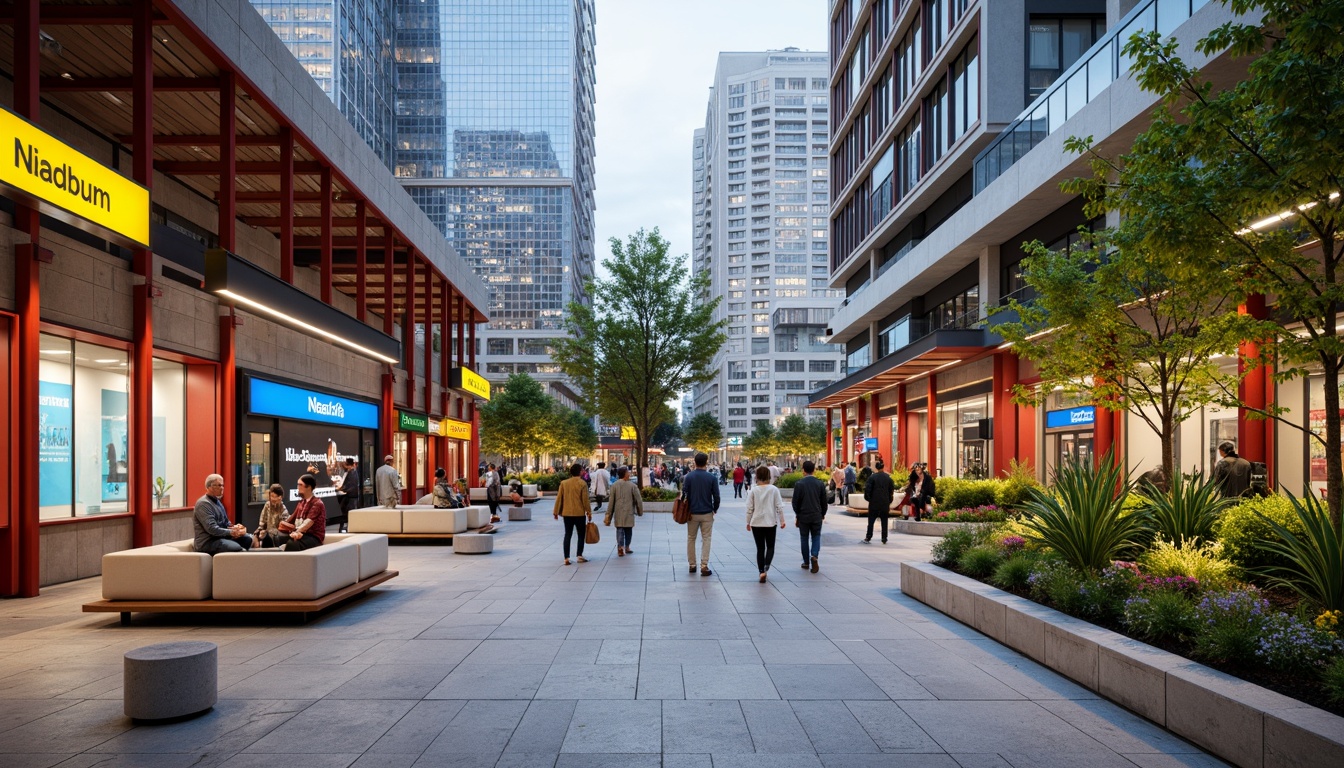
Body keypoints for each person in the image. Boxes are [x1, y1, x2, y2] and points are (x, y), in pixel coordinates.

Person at [192, 474, 253, 553]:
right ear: (209, 487)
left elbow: (226, 523)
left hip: (220, 537)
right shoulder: (203, 504)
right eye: (219, 485)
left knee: (247, 539)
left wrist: (236, 528)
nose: (222, 488)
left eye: (223, 485)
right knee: (236, 547)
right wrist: (231, 532)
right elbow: (211, 529)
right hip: (207, 542)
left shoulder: (218, 502)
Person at [682, 451, 721, 576]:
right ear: (706, 462)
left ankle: (692, 565)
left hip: (692, 513)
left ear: (695, 462)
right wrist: (714, 509)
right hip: (706, 513)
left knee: (691, 538)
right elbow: (717, 496)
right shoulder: (712, 478)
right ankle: (704, 566)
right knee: (706, 538)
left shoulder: (688, 477)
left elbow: (684, 495)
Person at [746, 465, 786, 582]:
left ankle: (761, 572)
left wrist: (748, 521)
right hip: (770, 522)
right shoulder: (774, 489)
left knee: (760, 548)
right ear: (769, 476)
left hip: (756, 523)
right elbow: (779, 507)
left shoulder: (753, 490)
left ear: (757, 476)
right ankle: (766, 566)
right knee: (770, 546)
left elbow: (749, 508)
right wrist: (782, 521)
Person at [792, 460, 828, 573]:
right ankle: (814, 556)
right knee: (816, 536)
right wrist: (823, 514)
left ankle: (806, 562)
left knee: (804, 538)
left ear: (803, 470)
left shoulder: (799, 484)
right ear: (814, 470)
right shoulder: (820, 483)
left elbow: (795, 502)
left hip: (803, 516)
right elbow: (824, 502)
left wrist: (797, 514)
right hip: (817, 515)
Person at [554, 463, 593, 565]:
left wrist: (556, 511)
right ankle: (579, 555)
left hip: (567, 513)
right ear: (579, 472)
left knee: (568, 534)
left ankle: (566, 557)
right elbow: (585, 500)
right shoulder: (582, 483)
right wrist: (588, 512)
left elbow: (559, 498)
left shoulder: (564, 483)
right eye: (582, 470)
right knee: (581, 534)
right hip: (579, 513)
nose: (583, 471)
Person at [278, 473, 326, 551]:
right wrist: (281, 526)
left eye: (300, 485)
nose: (298, 487)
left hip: (313, 537)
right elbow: (291, 519)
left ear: (309, 487)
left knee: (292, 543)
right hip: (301, 534)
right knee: (278, 538)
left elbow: (307, 523)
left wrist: (296, 532)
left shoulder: (317, 503)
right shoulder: (301, 503)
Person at [604, 466, 643, 556]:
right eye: (628, 472)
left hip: (618, 512)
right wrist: (640, 511)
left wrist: (608, 514)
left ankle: (620, 547)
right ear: (625, 474)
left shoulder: (614, 485)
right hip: (629, 511)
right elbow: (639, 500)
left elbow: (611, 501)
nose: (629, 474)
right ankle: (627, 547)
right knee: (628, 530)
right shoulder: (633, 486)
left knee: (620, 530)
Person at [863, 459, 896, 544]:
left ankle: (868, 536)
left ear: (876, 468)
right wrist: (889, 500)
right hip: (885, 503)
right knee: (884, 521)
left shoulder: (872, 477)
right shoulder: (888, 478)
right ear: (883, 467)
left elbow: (867, 489)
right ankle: (884, 538)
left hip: (874, 502)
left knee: (871, 521)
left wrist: (869, 499)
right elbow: (891, 490)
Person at [253, 483, 290, 548]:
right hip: (267, 534)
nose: (272, 499)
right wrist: (261, 530)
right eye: (271, 496)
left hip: (277, 535)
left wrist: (270, 532)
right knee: (256, 537)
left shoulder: (283, 510)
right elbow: (262, 521)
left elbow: (282, 528)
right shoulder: (267, 505)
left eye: (274, 496)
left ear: (280, 497)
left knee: (272, 538)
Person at [335, 457, 359, 532]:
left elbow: (349, 485)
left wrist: (340, 489)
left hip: (350, 497)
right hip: (351, 496)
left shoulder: (351, 473)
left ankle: (345, 528)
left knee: (346, 513)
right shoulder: (353, 472)